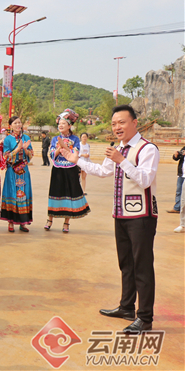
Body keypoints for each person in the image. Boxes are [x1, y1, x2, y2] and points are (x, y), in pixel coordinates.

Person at [60, 104, 159, 333]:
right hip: (121, 214)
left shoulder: (147, 149)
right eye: (114, 124)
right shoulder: (118, 149)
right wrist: (76, 160)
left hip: (142, 216)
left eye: (122, 122)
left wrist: (121, 160)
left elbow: (145, 180)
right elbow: (103, 171)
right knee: (126, 263)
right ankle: (126, 307)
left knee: (142, 266)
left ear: (134, 123)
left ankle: (145, 318)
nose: (117, 127)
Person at [44, 109, 90, 233]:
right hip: (58, 169)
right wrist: (59, 148)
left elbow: (75, 154)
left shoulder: (75, 139)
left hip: (71, 169)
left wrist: (64, 146)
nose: (60, 125)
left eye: (63, 123)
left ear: (69, 126)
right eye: (59, 123)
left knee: (69, 195)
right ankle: (50, 219)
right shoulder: (55, 139)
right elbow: (52, 155)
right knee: (54, 193)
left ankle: (66, 222)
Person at [0, 116, 33, 232]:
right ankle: (11, 222)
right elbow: (6, 156)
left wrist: (26, 149)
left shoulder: (26, 137)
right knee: (12, 194)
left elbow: (31, 155)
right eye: (15, 123)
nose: (18, 125)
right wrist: (18, 149)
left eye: (19, 122)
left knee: (24, 194)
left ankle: (23, 222)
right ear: (10, 126)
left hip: (24, 171)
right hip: (12, 171)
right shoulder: (8, 139)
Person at [168, 145, 185, 213]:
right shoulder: (184, 148)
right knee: (179, 192)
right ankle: (177, 208)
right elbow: (176, 158)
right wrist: (176, 155)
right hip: (181, 175)